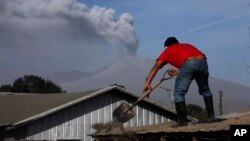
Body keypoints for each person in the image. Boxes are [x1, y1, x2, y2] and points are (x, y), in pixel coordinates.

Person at [143, 37, 215, 127]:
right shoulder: (187, 45)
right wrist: (180, 70)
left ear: (166, 47)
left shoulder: (168, 50)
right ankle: (211, 116)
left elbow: (156, 66)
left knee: (178, 93)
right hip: (202, 61)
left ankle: (182, 120)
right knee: (205, 90)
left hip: (189, 63)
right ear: (177, 43)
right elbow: (194, 62)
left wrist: (148, 82)